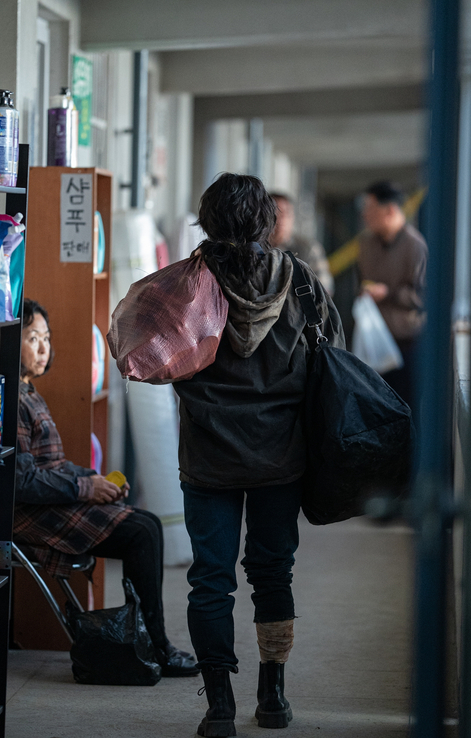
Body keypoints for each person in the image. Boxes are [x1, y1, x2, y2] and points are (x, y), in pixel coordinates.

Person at [173, 174, 344, 736]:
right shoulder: (301, 284)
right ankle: (273, 694)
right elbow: (333, 360)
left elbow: (146, 351)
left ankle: (218, 703)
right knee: (273, 572)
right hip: (281, 457)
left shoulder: (188, 284)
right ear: (266, 220)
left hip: (208, 457)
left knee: (210, 580)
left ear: (208, 219)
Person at [14, 298, 198, 678]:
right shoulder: (11, 400)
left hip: (50, 503)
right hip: (28, 514)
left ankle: (149, 641)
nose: (44, 347)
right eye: (32, 338)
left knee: (146, 525)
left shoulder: (28, 391)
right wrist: (86, 487)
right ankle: (156, 645)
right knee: (140, 532)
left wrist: (96, 480)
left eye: (46, 338)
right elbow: (22, 482)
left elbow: (53, 465)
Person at [358, 181, 427, 411]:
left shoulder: (415, 246)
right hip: (372, 342)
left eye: (370, 208)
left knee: (405, 409)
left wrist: (389, 293)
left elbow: (423, 296)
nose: (365, 215)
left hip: (405, 346)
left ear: (389, 210)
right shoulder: (366, 244)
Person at [269, 192, 335, 294]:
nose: (280, 219)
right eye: (275, 212)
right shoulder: (255, 247)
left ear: (292, 217)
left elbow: (324, 289)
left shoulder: (308, 248)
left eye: (286, 213)